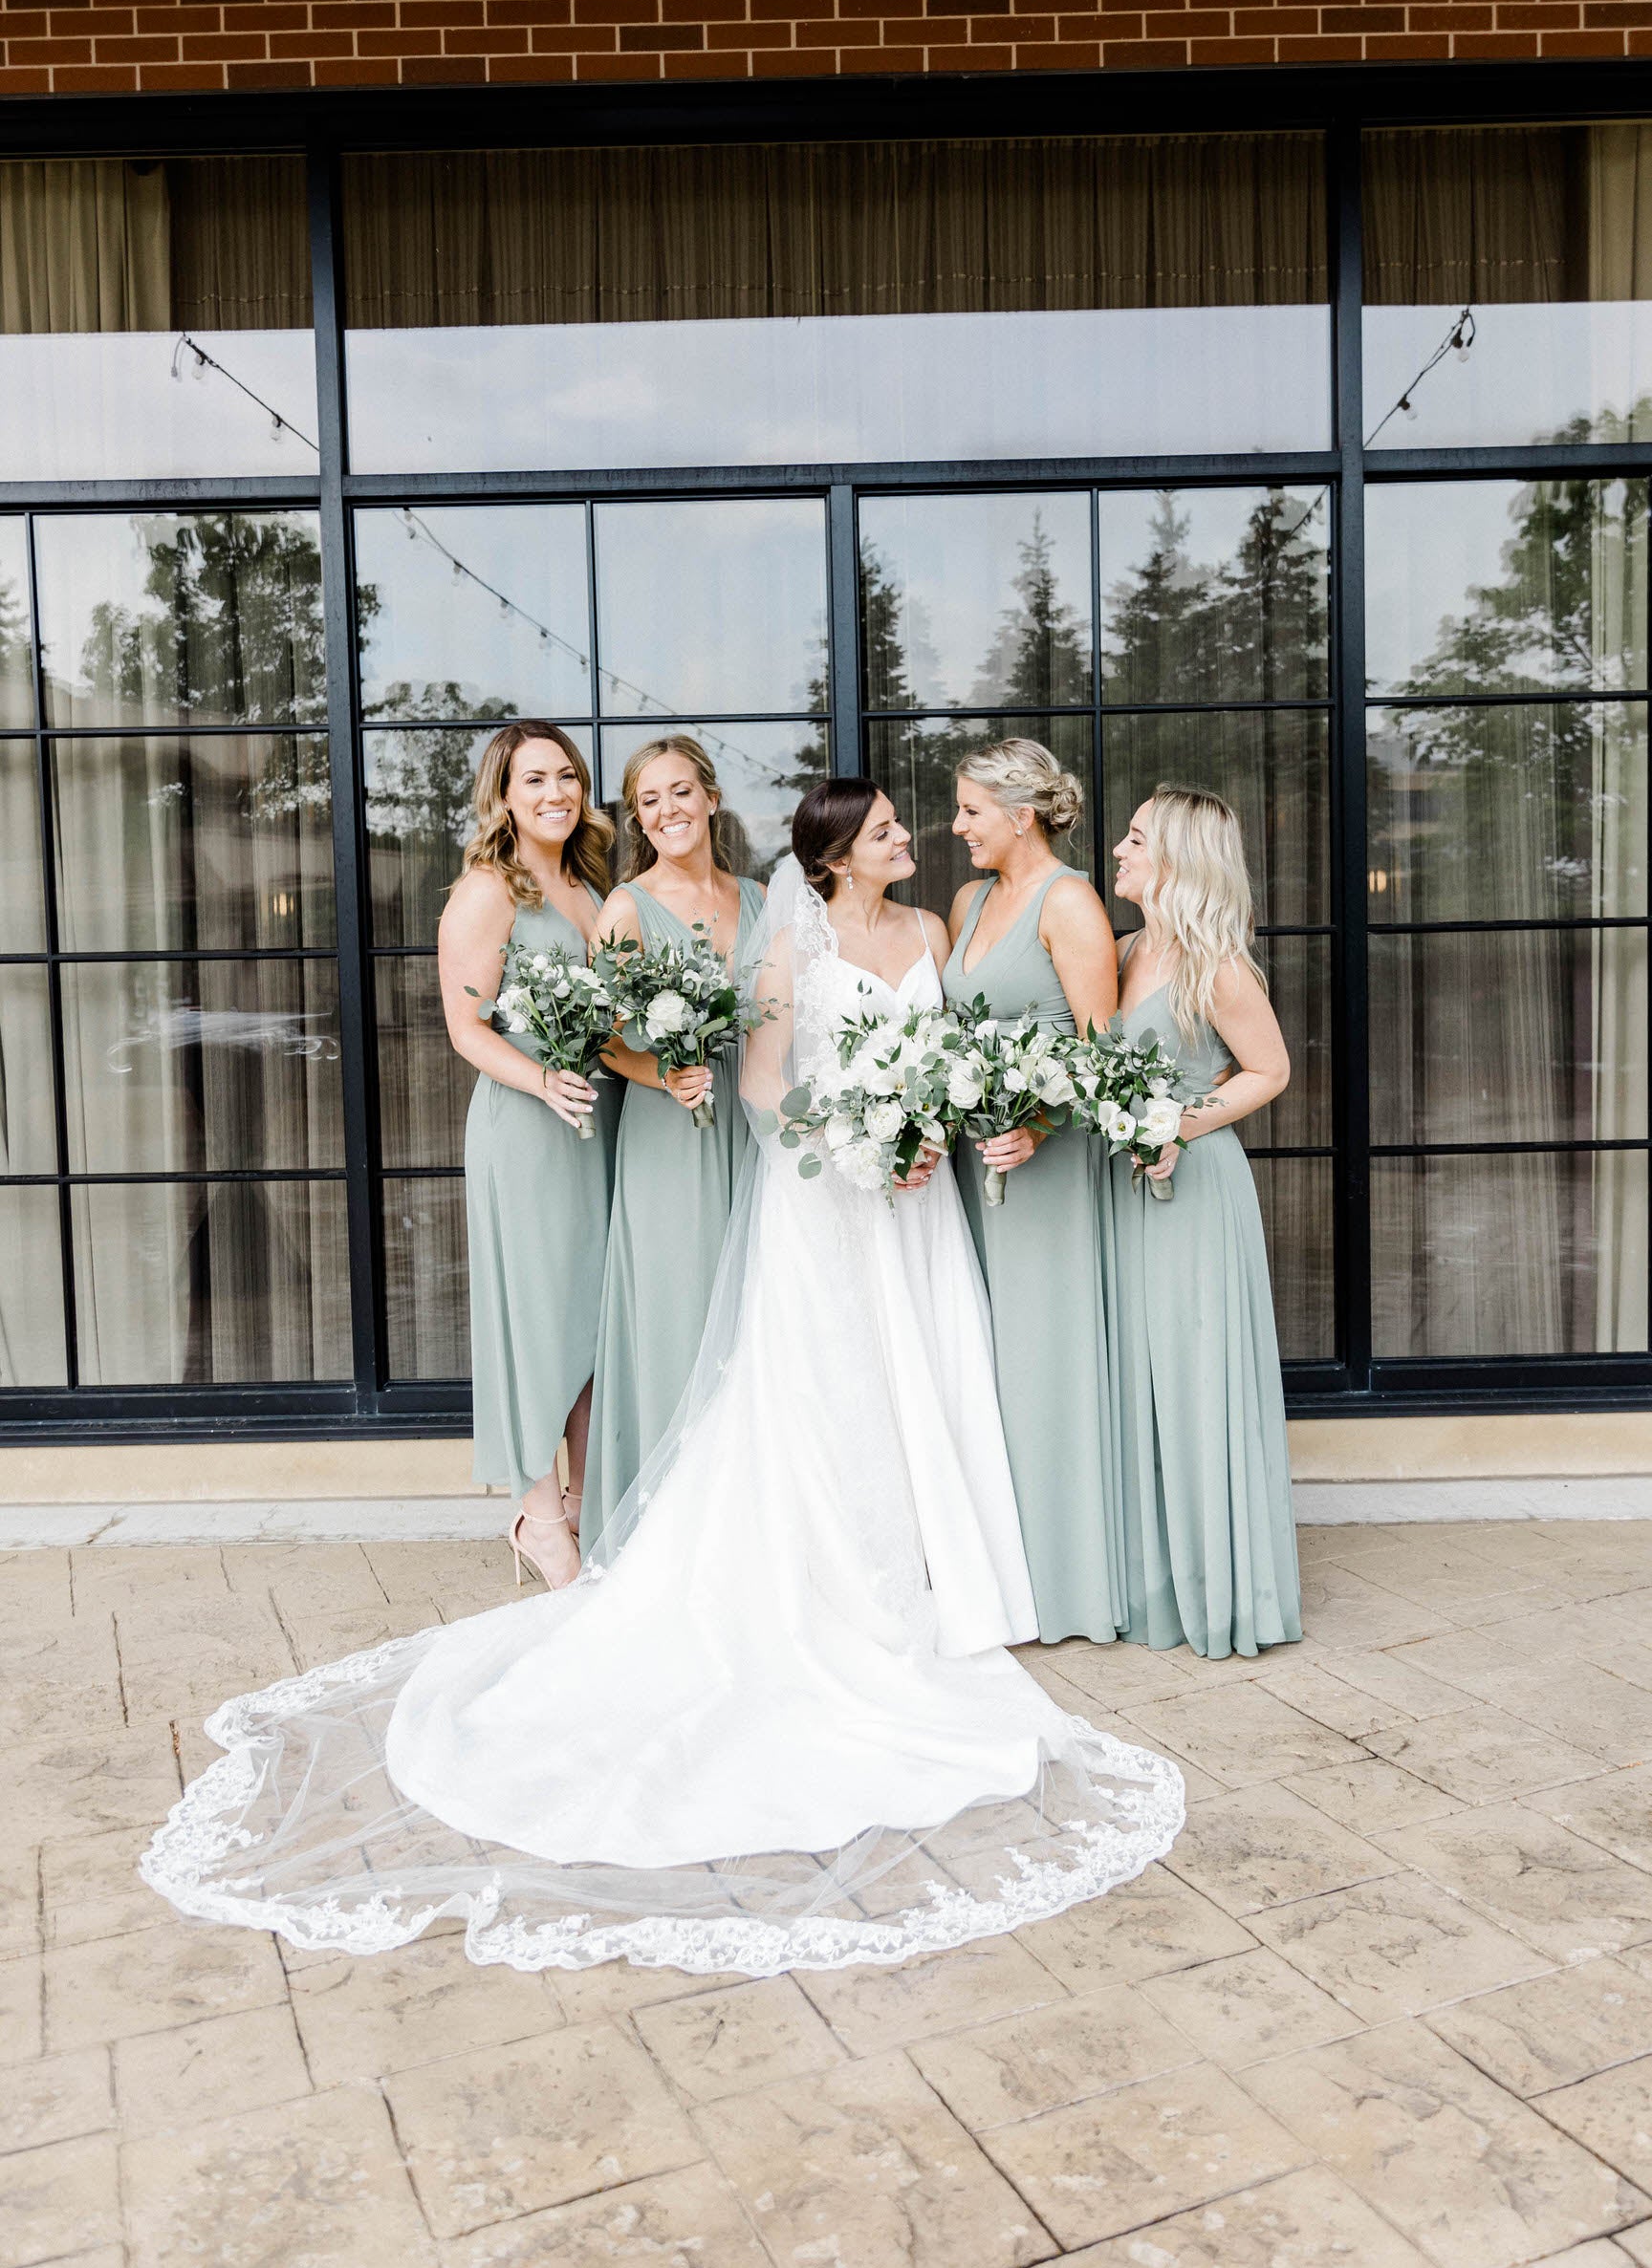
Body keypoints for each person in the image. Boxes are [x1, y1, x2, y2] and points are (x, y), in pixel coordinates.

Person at [141, 778, 1183, 1980]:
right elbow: (761, 1079)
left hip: (917, 1195)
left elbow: (938, 1046)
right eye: (892, 827)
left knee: (920, 1367)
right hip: (833, 1185)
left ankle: (954, 1572)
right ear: (842, 855)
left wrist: (925, 1130)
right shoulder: (789, 942)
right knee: (821, 1383)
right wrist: (860, 1140)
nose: (911, 838)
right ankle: (820, 1574)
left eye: (912, 821)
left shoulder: (935, 931)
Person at [1105, 785, 1301, 1659]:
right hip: (1122, 1190)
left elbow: (1269, 1070)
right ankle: (1154, 1582)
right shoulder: (1118, 950)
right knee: (1141, 1382)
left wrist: (1176, 1125)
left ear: (1177, 860)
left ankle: (1222, 1591)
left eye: (1138, 838)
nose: (1118, 847)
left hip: (1194, 1192)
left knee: (1193, 1376)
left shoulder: (1215, 963)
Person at [942, 739, 1126, 1644]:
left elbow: (1101, 1054)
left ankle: (1063, 1581)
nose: (956, 826)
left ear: (1020, 816)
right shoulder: (970, 899)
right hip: (972, 1175)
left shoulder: (1073, 903)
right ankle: (991, 1576)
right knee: (980, 1362)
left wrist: (1039, 1124)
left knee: (1042, 1364)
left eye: (970, 810)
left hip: (1044, 1171)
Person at [437, 721, 618, 1591]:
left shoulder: (587, 885)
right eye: (535, 779)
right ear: (504, 797)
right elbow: (465, 1028)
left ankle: (589, 1500)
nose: (556, 793)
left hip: (597, 1123)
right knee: (537, 1313)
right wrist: (543, 1083)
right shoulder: (488, 890)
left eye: (568, 777)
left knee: (592, 1318)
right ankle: (538, 1514)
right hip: (529, 1127)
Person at [581, 737, 767, 1551]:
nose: (667, 812)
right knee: (681, 1317)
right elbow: (603, 1036)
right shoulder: (626, 907)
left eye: (681, 792)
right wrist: (664, 1075)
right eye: (648, 801)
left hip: (757, 1134)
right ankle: (672, 1535)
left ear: (713, 798)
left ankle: (755, 1523)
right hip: (674, 1138)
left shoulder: (762, 900)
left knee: (762, 1318)